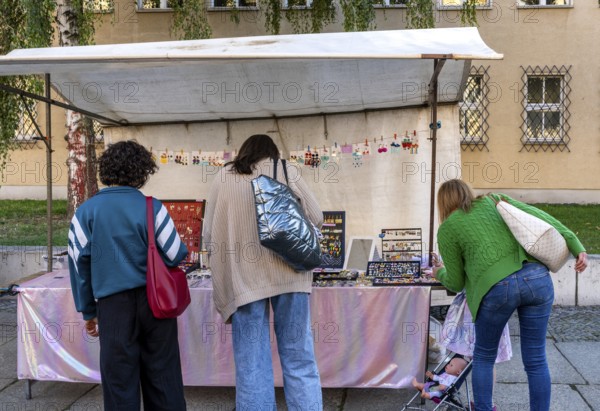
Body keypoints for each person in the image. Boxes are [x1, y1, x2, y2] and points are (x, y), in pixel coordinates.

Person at [433, 179, 588, 411]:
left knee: (484, 356)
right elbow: (541, 217)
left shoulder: (447, 229)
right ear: (468, 193)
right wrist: (577, 246)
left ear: (443, 203)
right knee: (536, 359)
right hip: (537, 279)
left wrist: (439, 272)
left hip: (496, 290)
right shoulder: (494, 200)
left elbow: (455, 283)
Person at [203, 134, 324, 411]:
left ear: (244, 152)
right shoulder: (285, 169)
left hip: (244, 281)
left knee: (251, 363)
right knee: (299, 358)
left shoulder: (224, 176)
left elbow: (208, 233)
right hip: (291, 275)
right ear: (272, 153)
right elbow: (317, 216)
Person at [67, 140, 188, 411]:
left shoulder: (85, 212)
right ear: (141, 172)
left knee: (119, 382)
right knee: (163, 376)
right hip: (157, 304)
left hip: (112, 307)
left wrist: (88, 311)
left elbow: (78, 266)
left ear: (106, 170)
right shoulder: (153, 207)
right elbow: (176, 253)